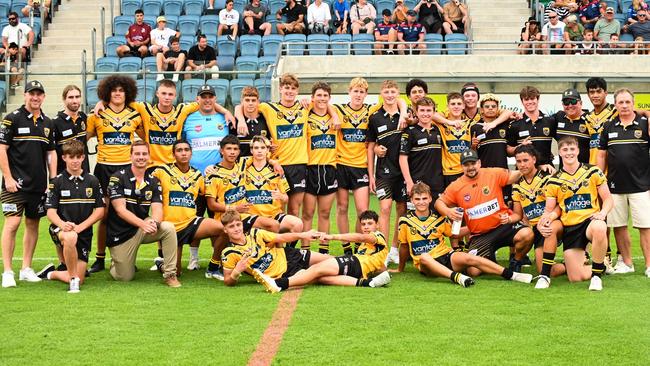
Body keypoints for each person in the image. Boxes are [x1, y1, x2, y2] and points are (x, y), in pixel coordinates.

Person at [396, 182, 533, 285]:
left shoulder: (439, 218)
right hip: (427, 264)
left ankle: (512, 275)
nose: (421, 202)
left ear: (430, 199)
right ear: (412, 200)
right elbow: (403, 246)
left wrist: (475, 225)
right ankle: (457, 278)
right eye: (417, 199)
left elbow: (454, 234)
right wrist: (400, 269)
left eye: (424, 198)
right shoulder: (405, 221)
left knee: (471, 260)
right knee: (424, 257)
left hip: (445, 256)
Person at [435, 150, 534, 274]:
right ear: (461, 167)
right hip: (480, 235)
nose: (470, 167)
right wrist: (448, 211)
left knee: (527, 234)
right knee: (473, 272)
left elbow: (516, 175)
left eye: (473, 163)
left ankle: (516, 261)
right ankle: (489, 258)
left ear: (479, 163)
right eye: (466, 165)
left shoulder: (493, 173)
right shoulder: (456, 186)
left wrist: (534, 167)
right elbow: (438, 202)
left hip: (503, 226)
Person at [535, 136, 612, 291]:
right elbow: (549, 209)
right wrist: (542, 221)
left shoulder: (593, 171)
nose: (569, 153)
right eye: (565, 149)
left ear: (577, 151)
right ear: (560, 153)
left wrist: (602, 213)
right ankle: (601, 265)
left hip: (590, 221)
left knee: (599, 227)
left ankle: (596, 276)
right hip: (570, 228)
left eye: (572, 149)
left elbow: (608, 198)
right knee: (576, 278)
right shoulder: (553, 180)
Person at [0, 80, 56, 288]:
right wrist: (7, 177)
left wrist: (51, 181)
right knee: (12, 224)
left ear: (43, 97)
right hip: (14, 185)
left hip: (38, 186)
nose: (35, 97)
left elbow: (51, 154)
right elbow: (2, 149)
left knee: (33, 225)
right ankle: (7, 271)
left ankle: (25, 268)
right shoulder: (12, 119)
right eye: (32, 94)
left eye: (39, 94)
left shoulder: (47, 123)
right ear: (25, 95)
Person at [252, 210, 392, 293]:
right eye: (363, 224)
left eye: (370, 224)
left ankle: (278, 284)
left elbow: (360, 237)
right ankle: (368, 283)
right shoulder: (370, 247)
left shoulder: (377, 237)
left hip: (355, 263)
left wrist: (333, 236)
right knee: (320, 277)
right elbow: (380, 264)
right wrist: (384, 272)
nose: (366, 227)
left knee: (316, 269)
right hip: (359, 269)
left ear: (377, 225)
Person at [86, 75, 142, 273]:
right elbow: (84, 137)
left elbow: (147, 138)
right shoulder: (96, 115)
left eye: (121, 90)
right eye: (114, 90)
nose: (118, 94)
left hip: (126, 168)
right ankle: (100, 258)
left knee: (127, 213)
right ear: (106, 93)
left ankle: (126, 256)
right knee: (104, 213)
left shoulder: (135, 116)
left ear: (127, 93)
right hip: (103, 167)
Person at [105, 141, 181, 287]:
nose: (141, 157)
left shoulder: (153, 180)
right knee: (125, 277)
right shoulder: (118, 177)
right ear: (131, 156)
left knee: (168, 228)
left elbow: (158, 208)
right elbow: (120, 210)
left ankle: (170, 274)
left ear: (149, 156)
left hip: (142, 227)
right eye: (137, 154)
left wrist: (155, 222)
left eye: (144, 154)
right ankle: (116, 263)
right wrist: (143, 224)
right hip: (121, 234)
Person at [152, 139, 227, 278]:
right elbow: (146, 182)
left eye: (186, 150)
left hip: (191, 223)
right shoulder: (162, 171)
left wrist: (212, 171)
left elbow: (211, 190)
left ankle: (213, 266)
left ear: (191, 153)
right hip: (171, 228)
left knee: (225, 229)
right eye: (179, 150)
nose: (183, 153)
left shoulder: (198, 175)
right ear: (173, 154)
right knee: (176, 272)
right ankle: (161, 263)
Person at [597, 88, 650, 278]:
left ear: (633, 103)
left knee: (645, 227)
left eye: (628, 102)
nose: (625, 105)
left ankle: (649, 265)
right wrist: (598, 177)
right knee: (619, 226)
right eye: (621, 102)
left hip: (641, 185)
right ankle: (627, 263)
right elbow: (602, 154)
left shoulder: (645, 124)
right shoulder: (608, 126)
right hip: (614, 187)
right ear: (616, 105)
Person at [38, 141, 104, 293]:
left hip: (84, 231)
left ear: (83, 158)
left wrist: (81, 227)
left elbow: (100, 211)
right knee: (70, 237)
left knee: (82, 278)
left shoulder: (92, 181)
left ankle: (50, 273)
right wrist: (62, 224)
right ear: (64, 158)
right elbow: (50, 212)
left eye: (78, 157)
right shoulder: (57, 182)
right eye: (71, 157)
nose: (74, 160)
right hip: (61, 229)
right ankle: (73, 281)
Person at [333, 78, 383, 255]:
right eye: (355, 91)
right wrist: (332, 114)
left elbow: (396, 99)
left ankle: (358, 244)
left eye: (362, 92)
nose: (358, 95)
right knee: (342, 207)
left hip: (361, 166)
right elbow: (326, 106)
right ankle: (346, 246)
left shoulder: (370, 110)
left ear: (366, 94)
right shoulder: (339, 109)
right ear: (349, 92)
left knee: (362, 210)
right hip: (341, 165)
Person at [220, 210, 330, 287]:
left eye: (238, 225)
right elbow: (228, 281)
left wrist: (303, 235)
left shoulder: (255, 233)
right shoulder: (229, 252)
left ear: (242, 225)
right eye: (231, 226)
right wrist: (236, 271)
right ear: (225, 230)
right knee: (323, 276)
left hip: (287, 254)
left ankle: (347, 263)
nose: (236, 229)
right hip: (282, 273)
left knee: (331, 260)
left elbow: (281, 237)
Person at [367, 80, 409, 265]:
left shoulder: (406, 115)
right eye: (386, 91)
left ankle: (394, 249)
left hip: (404, 172)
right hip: (384, 172)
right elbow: (369, 147)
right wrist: (371, 174)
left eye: (393, 91)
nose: (390, 95)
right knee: (384, 209)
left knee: (402, 209)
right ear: (381, 94)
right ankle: (382, 251)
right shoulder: (375, 117)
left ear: (398, 93)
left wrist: (405, 111)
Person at [510, 144, 565, 275]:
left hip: (551, 223)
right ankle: (569, 265)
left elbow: (560, 204)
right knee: (544, 270)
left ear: (534, 160)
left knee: (545, 270)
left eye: (525, 160)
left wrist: (549, 219)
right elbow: (518, 215)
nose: (522, 164)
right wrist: (508, 219)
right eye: (519, 161)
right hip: (535, 229)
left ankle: (571, 263)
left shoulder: (547, 178)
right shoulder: (517, 185)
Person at [244, 135, 303, 234]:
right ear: (251, 150)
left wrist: (281, 196)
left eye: (263, 148)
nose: (259, 151)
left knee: (297, 224)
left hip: (273, 215)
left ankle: (287, 249)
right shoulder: (243, 168)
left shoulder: (277, 171)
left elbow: (286, 199)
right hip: (252, 217)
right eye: (256, 148)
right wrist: (210, 167)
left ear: (267, 150)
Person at [399, 97, 443, 201]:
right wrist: (409, 182)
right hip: (417, 183)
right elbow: (402, 158)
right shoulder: (409, 132)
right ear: (416, 112)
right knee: (416, 216)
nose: (425, 114)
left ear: (434, 112)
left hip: (437, 183)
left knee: (437, 215)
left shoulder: (438, 130)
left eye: (428, 110)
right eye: (422, 110)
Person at [182, 84, 230, 175]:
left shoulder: (226, 118)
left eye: (210, 97)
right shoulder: (187, 119)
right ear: (197, 99)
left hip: (220, 176)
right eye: (203, 97)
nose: (207, 100)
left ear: (215, 99)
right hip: (193, 175)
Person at [506, 86, 554, 169]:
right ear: (522, 101)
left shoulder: (550, 121)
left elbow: (562, 139)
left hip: (546, 170)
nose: (530, 102)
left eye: (532, 99)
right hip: (523, 171)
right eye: (526, 99)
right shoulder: (515, 124)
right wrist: (520, 147)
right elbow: (507, 151)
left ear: (538, 99)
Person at [52, 85, 89, 175]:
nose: (75, 100)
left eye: (77, 97)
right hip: (63, 175)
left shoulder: (83, 117)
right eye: (71, 97)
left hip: (84, 174)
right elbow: (51, 153)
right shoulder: (55, 122)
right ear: (64, 99)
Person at [547, 88, 591, 165]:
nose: (570, 105)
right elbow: (540, 129)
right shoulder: (558, 117)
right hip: (564, 172)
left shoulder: (590, 119)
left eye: (573, 101)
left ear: (580, 103)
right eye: (566, 102)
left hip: (585, 173)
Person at [470, 93, 508, 170]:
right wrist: (473, 146)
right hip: (484, 172)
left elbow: (509, 150)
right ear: (481, 110)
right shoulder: (475, 127)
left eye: (493, 106)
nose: (490, 108)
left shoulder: (505, 125)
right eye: (487, 106)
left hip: (503, 172)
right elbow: (473, 154)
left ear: (498, 109)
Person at [233, 86, 270, 157]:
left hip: (261, 166)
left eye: (253, 100)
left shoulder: (266, 120)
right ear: (242, 102)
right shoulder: (235, 122)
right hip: (241, 166)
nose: (250, 103)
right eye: (247, 100)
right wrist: (241, 120)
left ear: (258, 102)